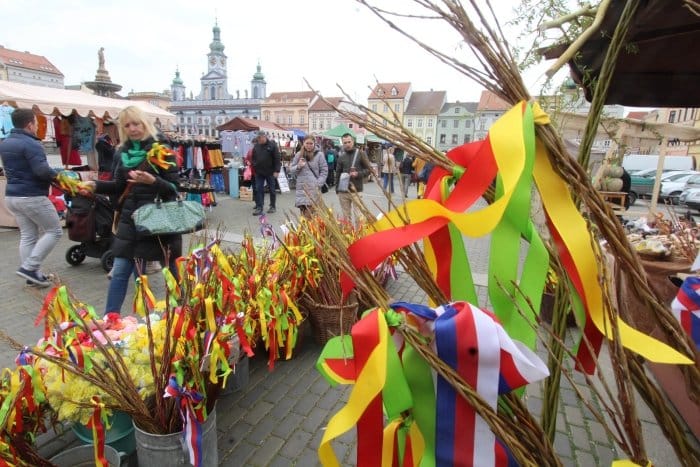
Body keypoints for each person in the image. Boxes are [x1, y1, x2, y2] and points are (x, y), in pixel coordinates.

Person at [80, 106, 181, 314]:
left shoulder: (162, 150)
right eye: (127, 125)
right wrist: (96, 185)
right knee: (119, 273)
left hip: (159, 221)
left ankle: (182, 315)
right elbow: (118, 186)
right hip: (131, 221)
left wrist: (153, 181)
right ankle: (111, 321)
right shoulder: (122, 153)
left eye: (136, 123)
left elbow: (174, 189)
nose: (133, 129)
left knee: (171, 272)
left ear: (145, 123)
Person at [0, 108, 63, 287]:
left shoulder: (6, 143)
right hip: (32, 195)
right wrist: (59, 177)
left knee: (28, 235)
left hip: (12, 195)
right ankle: (30, 267)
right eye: (36, 122)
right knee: (54, 230)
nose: (37, 126)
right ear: (30, 124)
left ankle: (32, 274)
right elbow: (42, 170)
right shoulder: (32, 144)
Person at [334, 133, 372, 224]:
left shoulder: (361, 153)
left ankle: (360, 237)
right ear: (342, 143)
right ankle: (350, 237)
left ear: (353, 141)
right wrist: (337, 190)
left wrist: (358, 174)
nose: (347, 144)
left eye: (349, 142)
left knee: (359, 217)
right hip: (343, 191)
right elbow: (338, 174)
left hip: (357, 191)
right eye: (345, 142)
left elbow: (369, 170)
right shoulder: (341, 156)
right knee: (346, 218)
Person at [291, 136, 328, 216]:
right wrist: (298, 166)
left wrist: (318, 184)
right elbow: (291, 170)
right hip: (301, 189)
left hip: (314, 189)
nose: (309, 145)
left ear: (314, 143)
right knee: (303, 215)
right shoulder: (298, 155)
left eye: (311, 143)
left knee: (312, 214)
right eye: (307, 143)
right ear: (303, 143)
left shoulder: (319, 155)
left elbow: (324, 171)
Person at [251, 130, 281, 215]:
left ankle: (272, 206)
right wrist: (255, 165)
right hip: (259, 172)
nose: (258, 140)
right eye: (258, 138)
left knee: (272, 189)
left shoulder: (272, 145)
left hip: (270, 172)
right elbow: (253, 157)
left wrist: (277, 170)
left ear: (264, 137)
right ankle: (259, 207)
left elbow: (277, 159)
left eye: (259, 138)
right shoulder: (256, 146)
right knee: (259, 189)